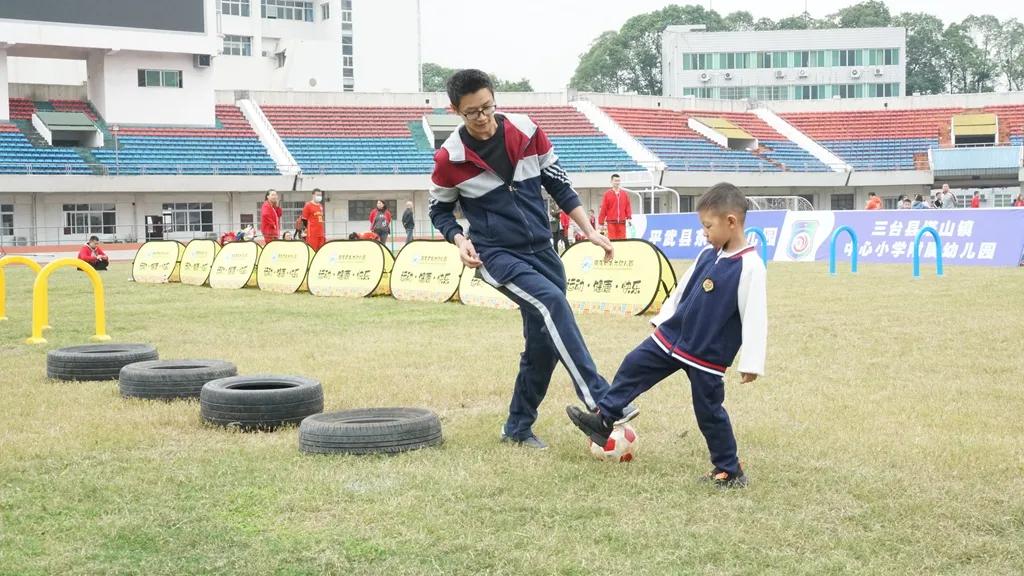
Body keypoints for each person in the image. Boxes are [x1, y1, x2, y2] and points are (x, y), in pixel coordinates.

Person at [429, 69, 626, 449]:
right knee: (552, 304)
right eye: (472, 113)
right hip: (496, 254)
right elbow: (440, 211)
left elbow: (557, 183)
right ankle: (602, 401)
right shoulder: (448, 158)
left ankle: (517, 428)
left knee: (542, 342)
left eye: (488, 107)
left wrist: (587, 229)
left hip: (543, 249)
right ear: (455, 111)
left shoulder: (527, 130)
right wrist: (458, 239)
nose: (483, 118)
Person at [567, 183, 767, 488]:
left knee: (708, 411)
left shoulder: (750, 266)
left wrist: (751, 362)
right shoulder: (707, 254)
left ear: (731, 222)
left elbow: (755, 316)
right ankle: (603, 418)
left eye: (708, 226)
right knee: (633, 364)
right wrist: (662, 319)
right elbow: (681, 291)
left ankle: (729, 468)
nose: (704, 232)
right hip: (671, 339)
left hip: (705, 355)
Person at [598, 174, 632, 240]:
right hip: (611, 223)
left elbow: (628, 206)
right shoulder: (607, 194)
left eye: (618, 181)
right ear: (611, 181)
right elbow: (604, 208)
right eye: (615, 181)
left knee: (622, 240)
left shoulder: (624, 194)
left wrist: (629, 217)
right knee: (612, 241)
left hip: (622, 222)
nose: (617, 182)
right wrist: (601, 222)